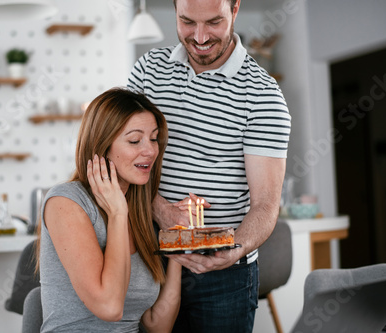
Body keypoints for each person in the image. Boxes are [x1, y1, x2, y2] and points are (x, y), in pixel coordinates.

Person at [127, 0, 291, 331]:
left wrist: (234, 250)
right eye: (187, 22)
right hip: (147, 258)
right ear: (174, 10)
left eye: (213, 22)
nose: (200, 37)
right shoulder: (148, 70)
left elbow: (265, 206)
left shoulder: (263, 95)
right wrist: (161, 211)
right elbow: (121, 157)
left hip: (224, 278)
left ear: (235, 10)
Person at [37, 88, 182, 332]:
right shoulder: (66, 202)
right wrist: (117, 214)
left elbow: (158, 325)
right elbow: (110, 308)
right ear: (102, 146)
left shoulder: (138, 209)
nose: (150, 151)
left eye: (154, 138)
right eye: (135, 140)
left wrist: (179, 246)